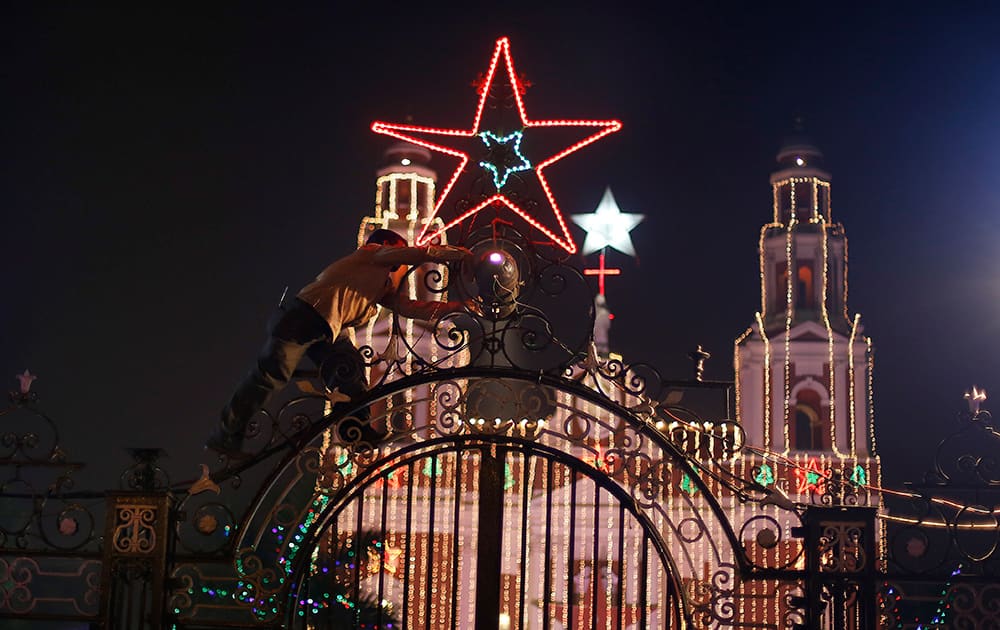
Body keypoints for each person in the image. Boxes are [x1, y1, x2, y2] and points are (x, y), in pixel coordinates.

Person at [207, 229, 474, 458]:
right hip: (302, 318)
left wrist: (457, 307)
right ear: (389, 246)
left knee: (349, 368)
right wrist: (453, 253)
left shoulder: (380, 285)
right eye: (400, 253)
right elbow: (413, 255)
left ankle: (355, 432)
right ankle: (227, 433)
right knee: (271, 376)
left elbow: (408, 307)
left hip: (328, 328)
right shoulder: (372, 253)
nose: (402, 264)